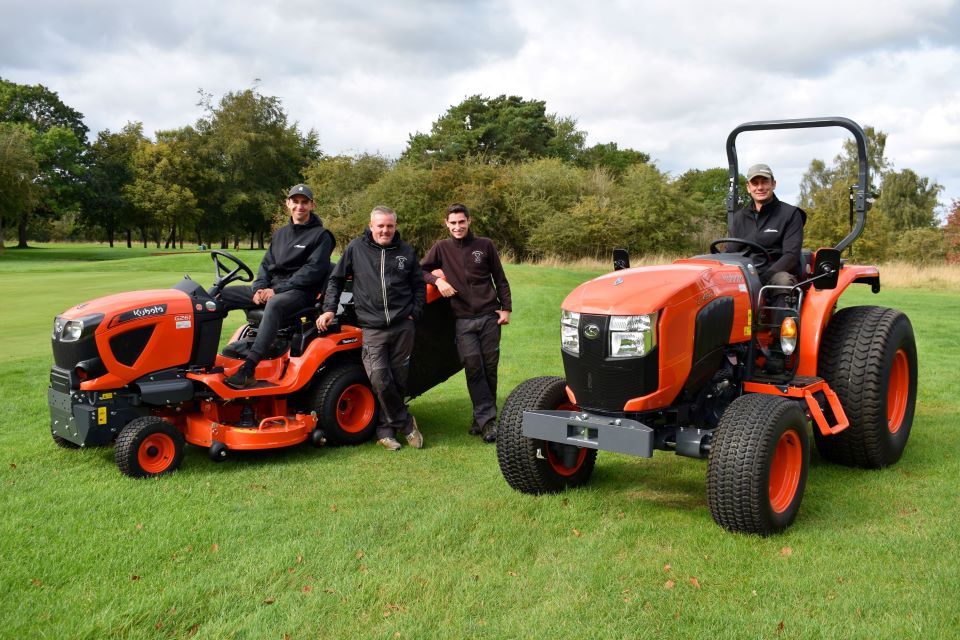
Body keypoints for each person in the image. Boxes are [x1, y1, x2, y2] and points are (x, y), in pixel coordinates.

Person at [316, 206, 426, 451]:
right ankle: (406, 423)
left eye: (389, 226)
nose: (385, 230)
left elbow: (418, 285)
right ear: (371, 226)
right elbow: (335, 280)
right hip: (372, 327)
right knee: (379, 379)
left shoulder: (405, 251)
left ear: (395, 227)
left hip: (402, 326)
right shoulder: (356, 248)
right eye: (380, 226)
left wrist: (414, 313)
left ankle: (385, 431)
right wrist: (329, 309)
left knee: (397, 380)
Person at [221, 184, 335, 389]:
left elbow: (312, 271)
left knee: (274, 304)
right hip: (272, 288)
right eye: (295, 202)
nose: (299, 206)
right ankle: (203, 362)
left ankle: (248, 369)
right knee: (221, 296)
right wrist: (258, 289)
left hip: (300, 293)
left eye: (304, 202)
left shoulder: (321, 236)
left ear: (312, 205)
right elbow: (266, 265)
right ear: (288, 204)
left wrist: (275, 291)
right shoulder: (280, 234)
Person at [420, 203, 512, 443]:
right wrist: (437, 282)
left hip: (489, 316)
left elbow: (500, 279)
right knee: (473, 366)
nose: (457, 227)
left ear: (469, 221)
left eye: (461, 222)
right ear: (446, 224)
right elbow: (419, 270)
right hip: (462, 320)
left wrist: (506, 308)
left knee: (489, 368)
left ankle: (483, 419)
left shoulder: (485, 245)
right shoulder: (441, 247)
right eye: (453, 223)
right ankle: (486, 419)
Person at [727, 163, 806, 288]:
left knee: (782, 280)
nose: (760, 187)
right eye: (755, 183)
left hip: (775, 275)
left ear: (773, 184)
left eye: (764, 182)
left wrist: (764, 278)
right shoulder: (739, 217)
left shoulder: (790, 214)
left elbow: (791, 255)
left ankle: (782, 308)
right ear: (748, 187)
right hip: (745, 274)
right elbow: (730, 253)